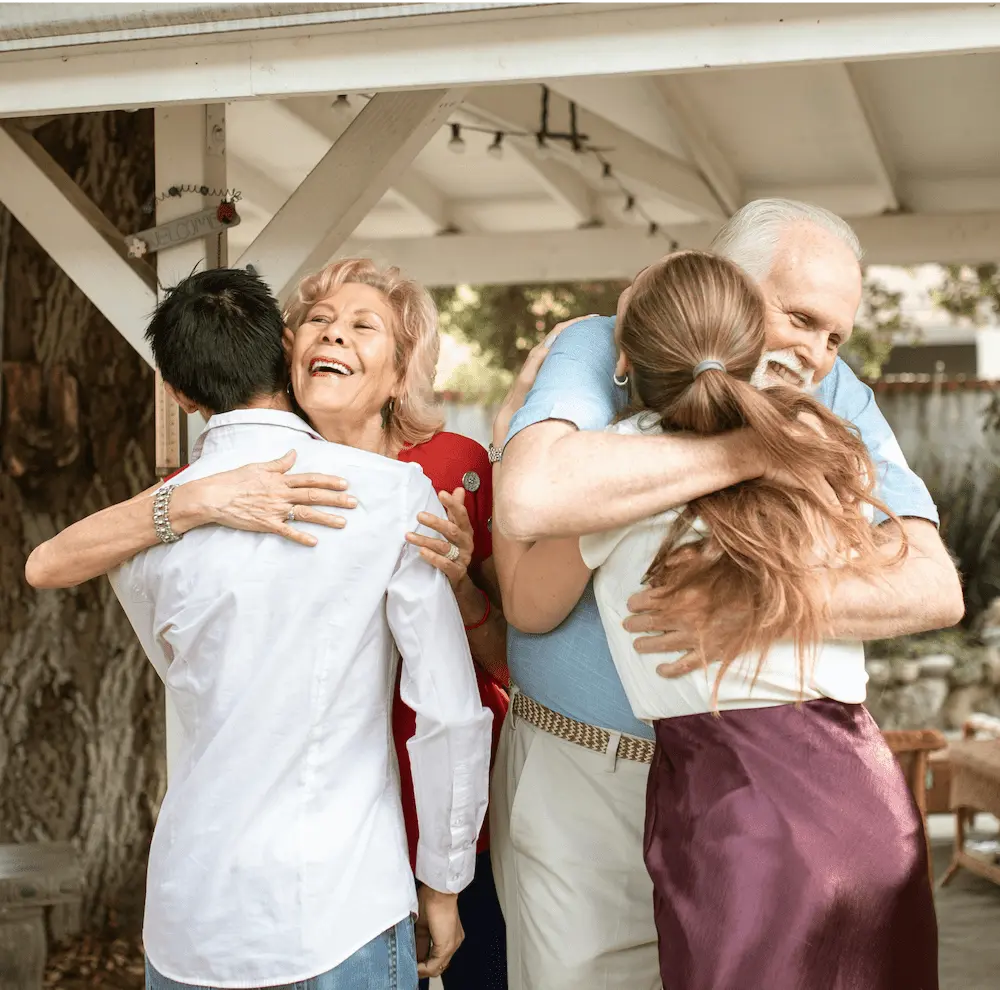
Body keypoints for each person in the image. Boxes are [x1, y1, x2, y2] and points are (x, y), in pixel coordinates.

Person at [487, 199, 964, 990]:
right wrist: (754, 447)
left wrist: (754, 605)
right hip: (593, 779)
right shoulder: (600, 345)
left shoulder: (833, 397)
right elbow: (532, 500)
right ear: (728, 283)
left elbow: (932, 584)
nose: (816, 357)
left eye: (835, 335)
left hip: (743, 807)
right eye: (800, 317)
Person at [26, 260, 509, 990]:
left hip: (194, 908)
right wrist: (443, 884)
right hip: (341, 897)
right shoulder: (392, 497)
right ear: (286, 349)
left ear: (177, 393)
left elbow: (179, 666)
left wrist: (185, 503)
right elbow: (448, 712)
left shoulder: (143, 533)